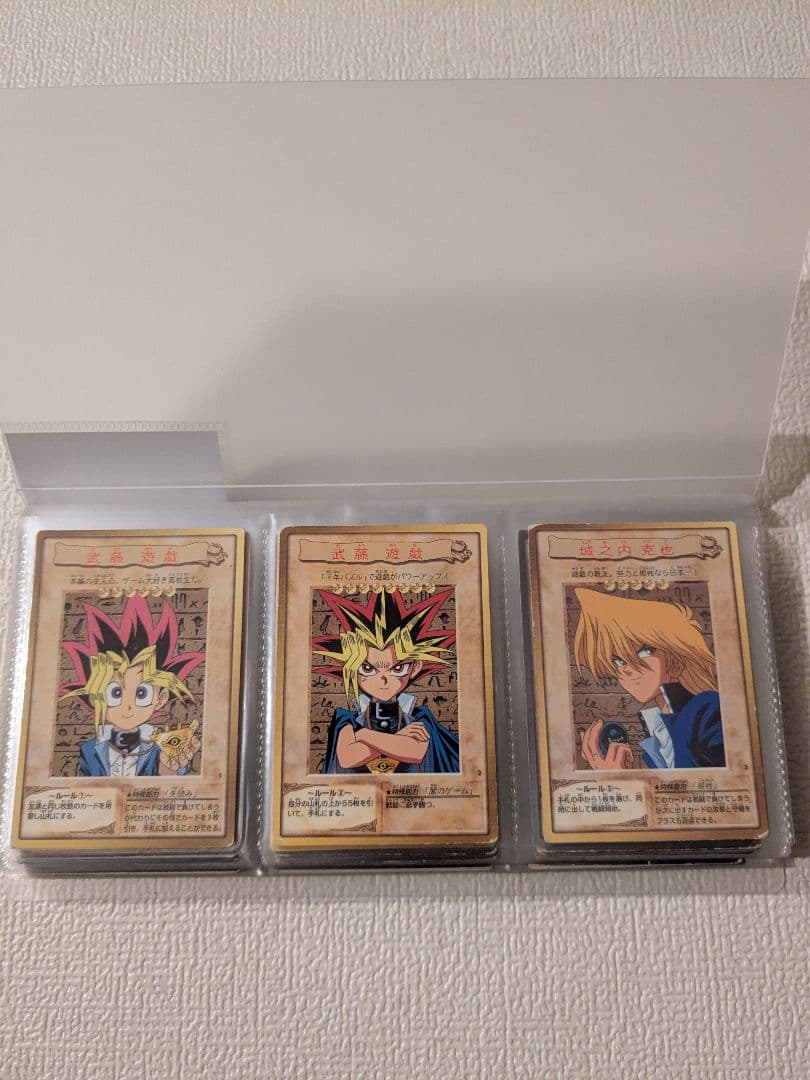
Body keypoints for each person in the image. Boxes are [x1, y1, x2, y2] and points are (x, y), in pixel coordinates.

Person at [573, 587, 725, 770]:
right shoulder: (660, 731)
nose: (626, 670)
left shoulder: (708, 710)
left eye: (643, 652)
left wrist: (618, 777)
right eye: (618, 661)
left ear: (676, 662)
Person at [313, 587, 460, 774]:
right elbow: (347, 757)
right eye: (368, 668)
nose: (383, 679)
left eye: (397, 669)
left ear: (415, 667)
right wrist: (399, 738)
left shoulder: (420, 717)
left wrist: (363, 735)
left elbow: (415, 751)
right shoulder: (347, 719)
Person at [60, 595, 204, 777]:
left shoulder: (162, 747)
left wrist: (168, 767)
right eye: (115, 693)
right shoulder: (89, 750)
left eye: (142, 693)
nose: (127, 706)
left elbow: (169, 781)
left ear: (161, 699)